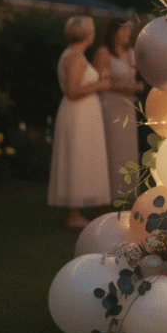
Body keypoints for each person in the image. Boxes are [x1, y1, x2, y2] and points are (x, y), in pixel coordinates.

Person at [47, 15, 112, 229]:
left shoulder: (75, 55)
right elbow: (73, 91)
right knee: (77, 157)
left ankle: (77, 211)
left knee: (81, 157)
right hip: (77, 114)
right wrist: (99, 85)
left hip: (81, 115)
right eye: (92, 29)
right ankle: (73, 214)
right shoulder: (74, 57)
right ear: (87, 34)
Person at [93, 17, 144, 203]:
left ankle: (127, 193)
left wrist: (136, 84)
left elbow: (135, 76)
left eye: (128, 31)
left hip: (127, 107)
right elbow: (99, 84)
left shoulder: (130, 53)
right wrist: (128, 88)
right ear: (114, 33)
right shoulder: (104, 53)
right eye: (123, 30)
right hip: (111, 106)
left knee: (128, 149)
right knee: (113, 149)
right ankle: (108, 194)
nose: (127, 34)